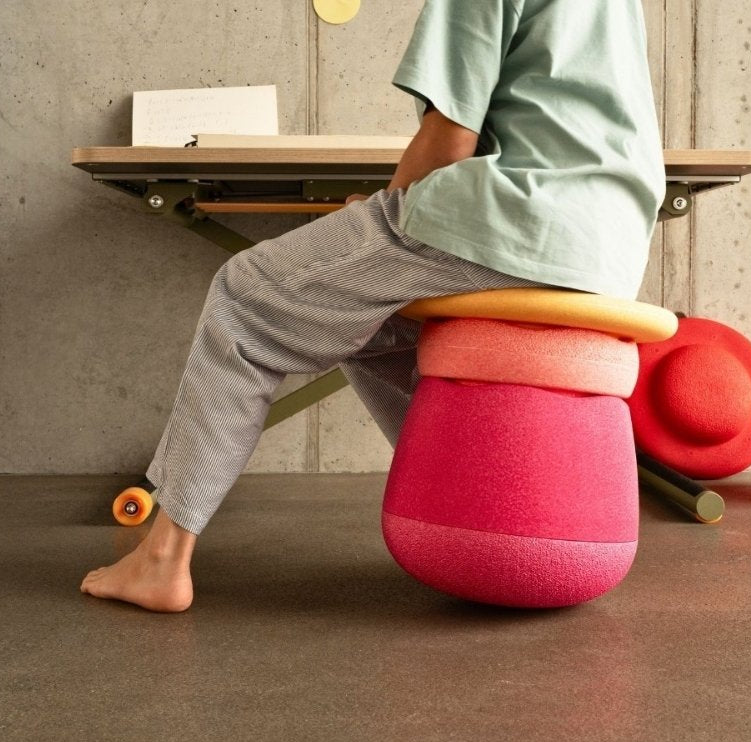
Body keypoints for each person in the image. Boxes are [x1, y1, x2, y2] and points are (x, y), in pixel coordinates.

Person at [80, 0, 665, 612]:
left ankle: (161, 559)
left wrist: (387, 208)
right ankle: (471, 507)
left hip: (509, 214)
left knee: (244, 295)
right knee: (365, 321)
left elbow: (449, 138)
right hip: (609, 244)